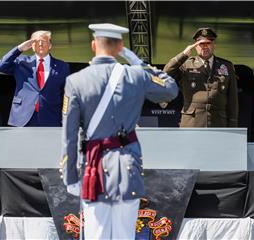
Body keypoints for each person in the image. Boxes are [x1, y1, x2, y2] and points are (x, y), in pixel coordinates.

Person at [59, 23, 178, 239]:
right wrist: (137, 62)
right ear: (120, 46)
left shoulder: (75, 81)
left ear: (93, 45)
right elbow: (170, 89)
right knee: (125, 235)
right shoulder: (136, 75)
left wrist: (71, 177)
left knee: (97, 234)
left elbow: (69, 136)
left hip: (94, 168)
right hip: (127, 167)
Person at [163, 27, 238, 127]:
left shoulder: (226, 66)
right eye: (201, 44)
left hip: (218, 122)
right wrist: (183, 55)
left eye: (208, 43)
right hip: (192, 122)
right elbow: (165, 74)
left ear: (213, 45)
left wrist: (233, 124)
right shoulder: (186, 65)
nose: (205, 47)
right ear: (195, 46)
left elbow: (233, 99)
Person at [0, 30, 70, 127]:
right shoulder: (22, 62)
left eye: (43, 41)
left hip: (51, 117)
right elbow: (1, 66)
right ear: (31, 45)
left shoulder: (62, 66)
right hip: (23, 117)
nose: (40, 44)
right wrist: (19, 49)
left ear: (50, 45)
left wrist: (66, 116)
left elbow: (67, 93)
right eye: (36, 41)